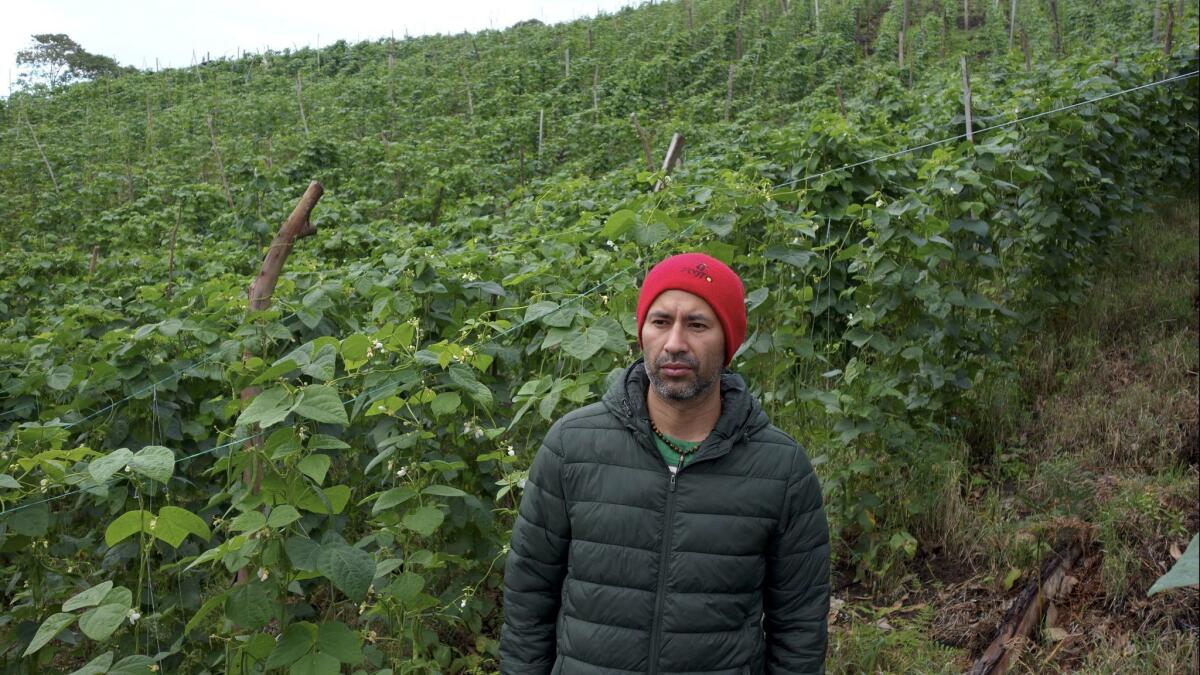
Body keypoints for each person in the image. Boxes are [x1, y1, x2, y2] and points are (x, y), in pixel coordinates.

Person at [499, 253, 830, 675]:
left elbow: (799, 627)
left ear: (729, 341)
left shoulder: (780, 468)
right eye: (660, 322)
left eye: (697, 324)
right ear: (642, 334)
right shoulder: (572, 447)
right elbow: (528, 601)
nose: (675, 342)